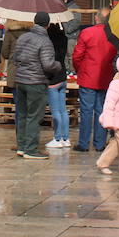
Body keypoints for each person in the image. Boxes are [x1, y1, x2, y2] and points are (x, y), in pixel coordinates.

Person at [10, 11, 60, 160]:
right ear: (48, 25)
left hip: (21, 80)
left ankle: (22, 146)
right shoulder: (45, 41)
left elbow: (16, 58)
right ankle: (31, 149)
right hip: (36, 82)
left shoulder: (23, 37)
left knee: (22, 114)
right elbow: (48, 65)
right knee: (34, 116)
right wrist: (58, 65)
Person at [71, 6, 116, 153]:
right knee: (101, 111)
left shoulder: (87, 32)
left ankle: (84, 143)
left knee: (86, 111)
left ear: (96, 18)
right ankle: (99, 143)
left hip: (88, 76)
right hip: (105, 77)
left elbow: (77, 56)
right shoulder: (113, 35)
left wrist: (81, 70)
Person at [45, 20, 71, 148]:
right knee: (63, 109)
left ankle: (57, 138)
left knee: (55, 110)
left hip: (53, 78)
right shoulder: (64, 38)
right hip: (63, 75)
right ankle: (66, 138)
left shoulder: (49, 40)